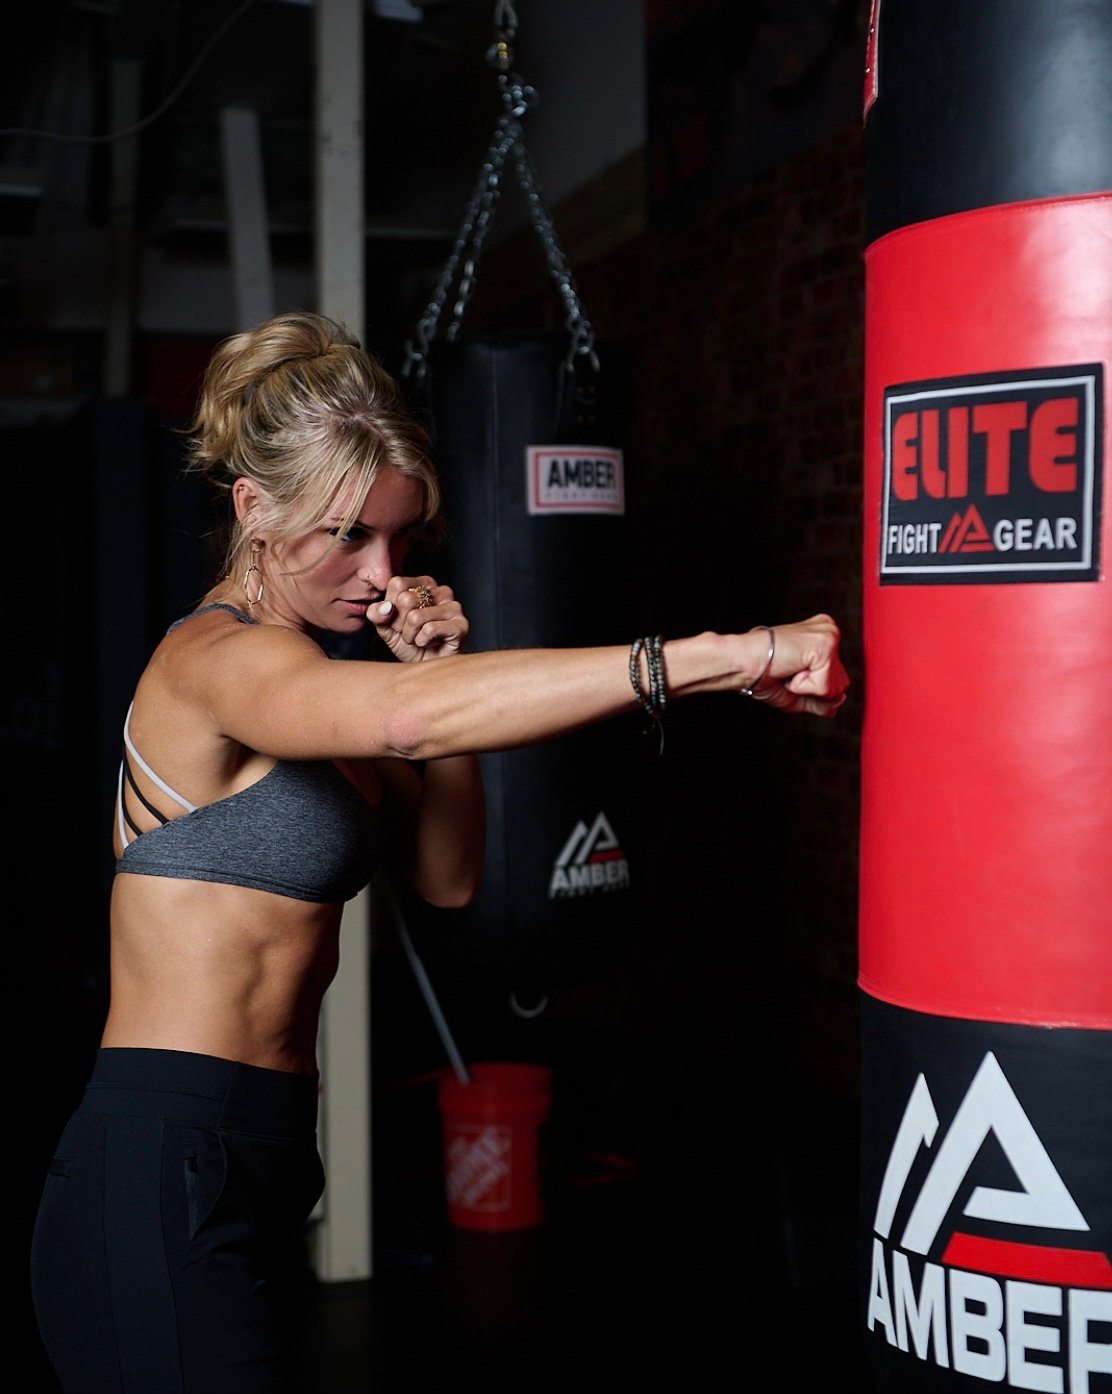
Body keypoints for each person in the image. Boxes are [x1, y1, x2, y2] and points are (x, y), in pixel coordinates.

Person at [29, 310, 849, 1393]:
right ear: (255, 510)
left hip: (264, 1150)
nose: (381, 574)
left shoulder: (317, 692)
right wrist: (725, 656)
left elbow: (447, 876)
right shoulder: (213, 662)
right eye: (348, 536)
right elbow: (411, 721)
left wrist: (438, 668)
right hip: (161, 1146)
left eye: (400, 537)